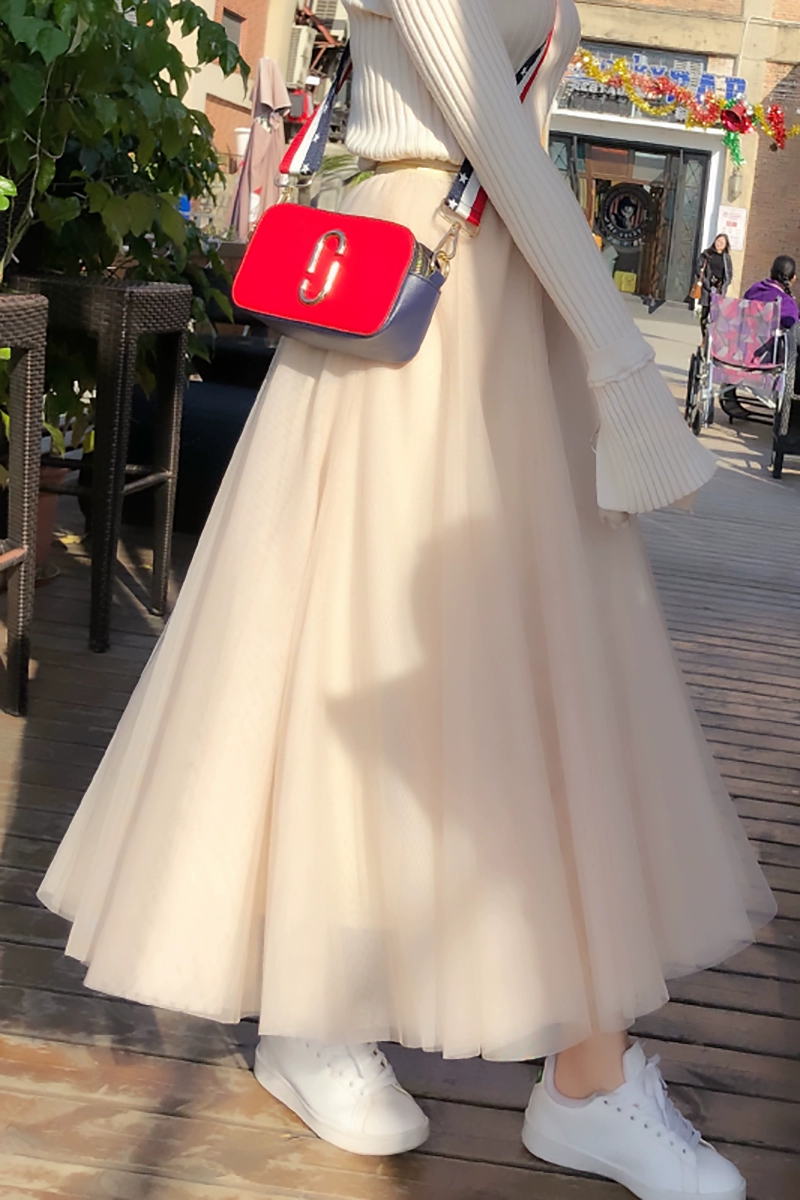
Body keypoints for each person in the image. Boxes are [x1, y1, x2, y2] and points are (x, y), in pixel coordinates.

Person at [38, 3, 774, 1198]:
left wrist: (595, 357)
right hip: (412, 304)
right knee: (355, 650)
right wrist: (621, 358)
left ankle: (585, 1074)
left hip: (504, 317)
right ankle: (317, 1008)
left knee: (550, 668)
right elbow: (487, 124)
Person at [694, 233, 733, 335]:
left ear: (726, 245)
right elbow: (698, 269)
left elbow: (729, 274)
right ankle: (704, 336)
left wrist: (724, 285)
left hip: (719, 288)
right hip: (707, 287)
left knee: (716, 315)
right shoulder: (706, 254)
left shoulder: (726, 258)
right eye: (718, 241)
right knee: (704, 314)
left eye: (722, 243)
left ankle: (711, 337)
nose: (719, 244)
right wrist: (706, 282)